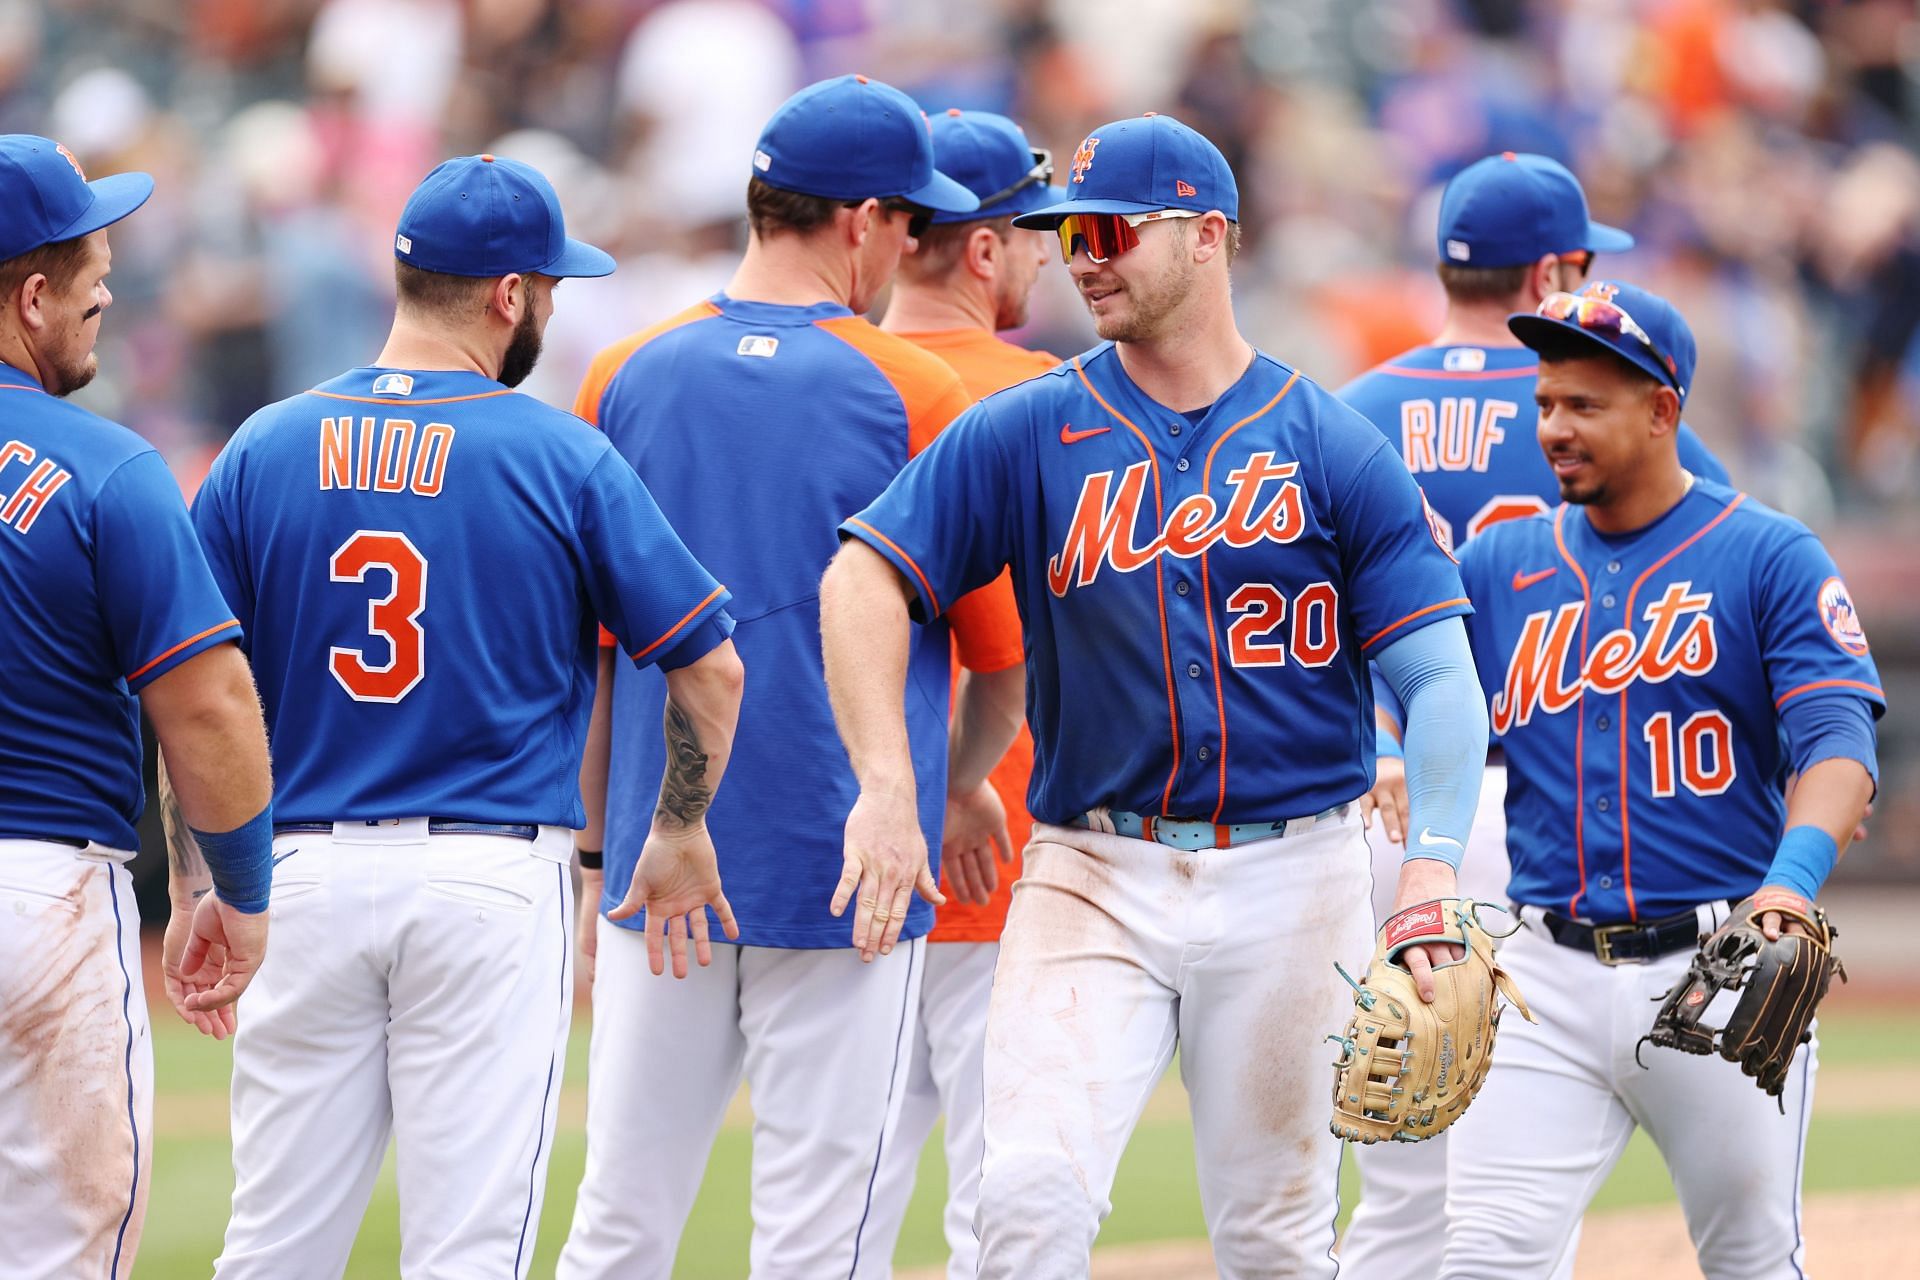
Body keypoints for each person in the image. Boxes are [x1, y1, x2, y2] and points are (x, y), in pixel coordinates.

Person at [820, 112, 1490, 1279]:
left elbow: (1437, 672)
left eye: (1113, 228)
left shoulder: (1327, 441)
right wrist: (888, 779)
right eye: (1068, 231)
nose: (1083, 254)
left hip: (1294, 871)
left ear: (1209, 237)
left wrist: (1431, 861)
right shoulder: (1030, 427)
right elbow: (864, 573)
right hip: (1092, 870)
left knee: (1274, 1241)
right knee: (1023, 1201)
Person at [191, 152, 744, 1278]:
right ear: (508, 296)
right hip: (487, 880)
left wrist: (208, 877)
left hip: (297, 872)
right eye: (548, 286)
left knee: (271, 1251)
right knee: (467, 1254)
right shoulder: (560, 453)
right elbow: (711, 668)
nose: (548, 306)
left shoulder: (262, 444)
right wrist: (677, 827)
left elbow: (194, 689)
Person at [558, 75, 1026, 1279]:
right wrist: (958, 783)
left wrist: (600, 857)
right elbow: (1000, 663)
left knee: (617, 1222)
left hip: (663, 861)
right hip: (845, 869)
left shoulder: (623, 371)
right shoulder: (919, 391)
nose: (908, 246)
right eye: (904, 221)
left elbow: (600, 661)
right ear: (862, 220)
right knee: (822, 1243)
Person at [1333, 149, 1728, 1278]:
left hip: (1377, 798)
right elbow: (1711, 564)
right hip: (1525, 811)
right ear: (1556, 268)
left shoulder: (1354, 407)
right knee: (1510, 1179)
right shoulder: (1589, 398)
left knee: (1401, 1168)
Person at [1442, 280, 1881, 1278]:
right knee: (1478, 1258)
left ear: (1662, 409)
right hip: (1541, 967)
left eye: (1584, 405)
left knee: (1750, 1258)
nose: (1554, 427)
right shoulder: (1498, 561)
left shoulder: (1765, 552)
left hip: (1716, 961)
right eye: (1546, 402)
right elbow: (1414, 703)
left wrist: (1789, 885)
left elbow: (1839, 741)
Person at [0, 133, 274, 1279]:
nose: (107, 288)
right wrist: (239, 891)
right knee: (63, 1253)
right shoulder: (107, 466)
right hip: (41, 895)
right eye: (90, 267)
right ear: (30, 295)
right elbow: (206, 708)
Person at [859, 107, 1062, 1279]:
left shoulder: (840, 382)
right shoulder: (1053, 398)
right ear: (981, 248)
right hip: (1011, 830)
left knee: (840, 1198)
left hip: (853, 843)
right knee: (1008, 1198)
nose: (1042, 252)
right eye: (1029, 230)